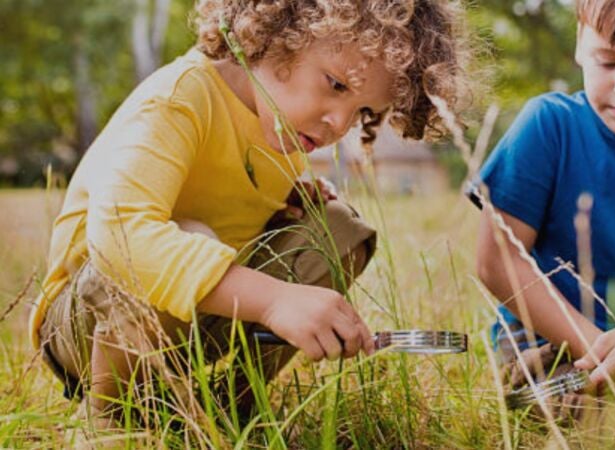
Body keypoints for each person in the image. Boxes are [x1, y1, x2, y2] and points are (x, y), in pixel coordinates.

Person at [31, 0, 472, 432]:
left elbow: (225, 194)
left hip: (188, 330)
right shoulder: (179, 98)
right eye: (336, 85)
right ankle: (110, 417)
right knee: (188, 234)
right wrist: (276, 300)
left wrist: (280, 205)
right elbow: (121, 237)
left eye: (363, 111)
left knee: (339, 229)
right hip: (86, 330)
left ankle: (230, 406)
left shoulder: (281, 127)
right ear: (277, 35)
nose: (339, 123)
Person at [473, 0, 615, 441]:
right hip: (559, 353)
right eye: (608, 61)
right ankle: (607, 427)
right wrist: (600, 348)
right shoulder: (550, 125)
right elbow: (497, 260)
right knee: (557, 395)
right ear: (581, 44)